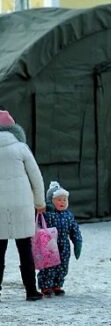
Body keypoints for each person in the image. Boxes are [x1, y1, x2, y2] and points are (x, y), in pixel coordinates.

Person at [0, 110, 46, 301]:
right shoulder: (21, 148)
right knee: (25, 249)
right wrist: (40, 203)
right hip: (22, 205)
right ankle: (31, 291)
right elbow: (36, 177)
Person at [38, 181, 82, 297]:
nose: (62, 202)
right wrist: (46, 208)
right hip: (49, 245)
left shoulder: (68, 215)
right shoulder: (47, 214)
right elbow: (38, 223)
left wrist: (77, 241)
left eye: (64, 200)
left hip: (64, 245)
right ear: (51, 201)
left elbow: (74, 229)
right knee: (48, 266)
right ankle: (45, 286)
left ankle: (57, 285)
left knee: (63, 265)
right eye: (59, 200)